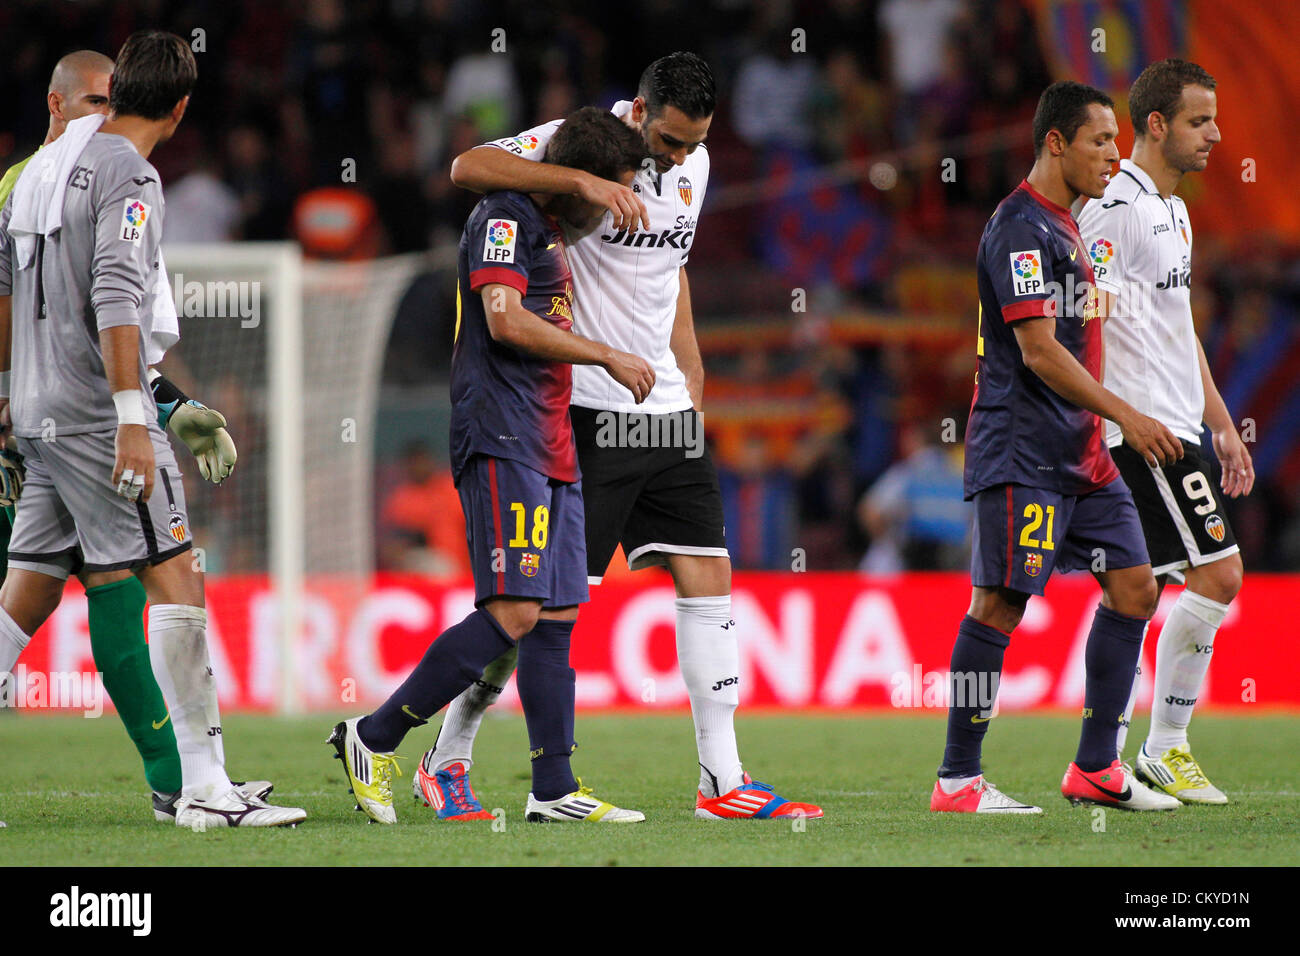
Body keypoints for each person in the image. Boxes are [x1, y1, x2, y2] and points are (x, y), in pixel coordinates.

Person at [433, 52, 823, 821]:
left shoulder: (697, 168)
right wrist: (579, 182)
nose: (681, 158)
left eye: (695, 143)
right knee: (540, 611)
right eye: (672, 141)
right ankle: (448, 754)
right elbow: (466, 167)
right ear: (638, 114)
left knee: (709, 577)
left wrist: (694, 374)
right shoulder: (580, 145)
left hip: (667, 407)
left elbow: (669, 271)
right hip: (585, 409)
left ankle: (722, 780)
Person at [0, 30, 302, 828]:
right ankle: (205, 790)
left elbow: (5, 290)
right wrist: (140, 418)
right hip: (101, 418)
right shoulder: (129, 173)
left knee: (21, 597)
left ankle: (201, 780)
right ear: (179, 107)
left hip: (36, 414)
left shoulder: (40, 171)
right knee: (174, 573)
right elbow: (115, 295)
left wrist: (10, 390)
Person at [329, 106, 652, 824]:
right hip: (503, 434)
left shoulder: (547, 232)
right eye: (610, 195)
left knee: (558, 614)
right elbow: (503, 318)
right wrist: (604, 352)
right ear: (581, 184)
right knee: (513, 609)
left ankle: (554, 790)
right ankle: (371, 735)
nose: (609, 217)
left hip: (550, 439)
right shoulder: (503, 217)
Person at [930, 81, 1184, 814]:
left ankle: (1096, 768)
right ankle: (957, 780)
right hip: (1024, 450)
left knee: (1137, 587)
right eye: (1101, 140)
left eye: (1117, 139)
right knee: (1000, 606)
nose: (1115, 154)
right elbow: (1040, 352)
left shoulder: (1068, 225)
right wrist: (1129, 417)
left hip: (1082, 455)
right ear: (1056, 143)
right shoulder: (1018, 227)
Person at [1078, 59, 1246, 804]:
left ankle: (1107, 757)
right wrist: (1116, 418)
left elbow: (1178, 332)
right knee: (1217, 574)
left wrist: (1222, 424)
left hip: (1179, 427)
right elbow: (1089, 322)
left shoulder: (1174, 212)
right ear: (1156, 125)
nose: (1215, 134)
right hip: (1141, 433)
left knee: (1135, 592)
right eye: (1199, 121)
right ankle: (1163, 747)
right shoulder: (1114, 209)